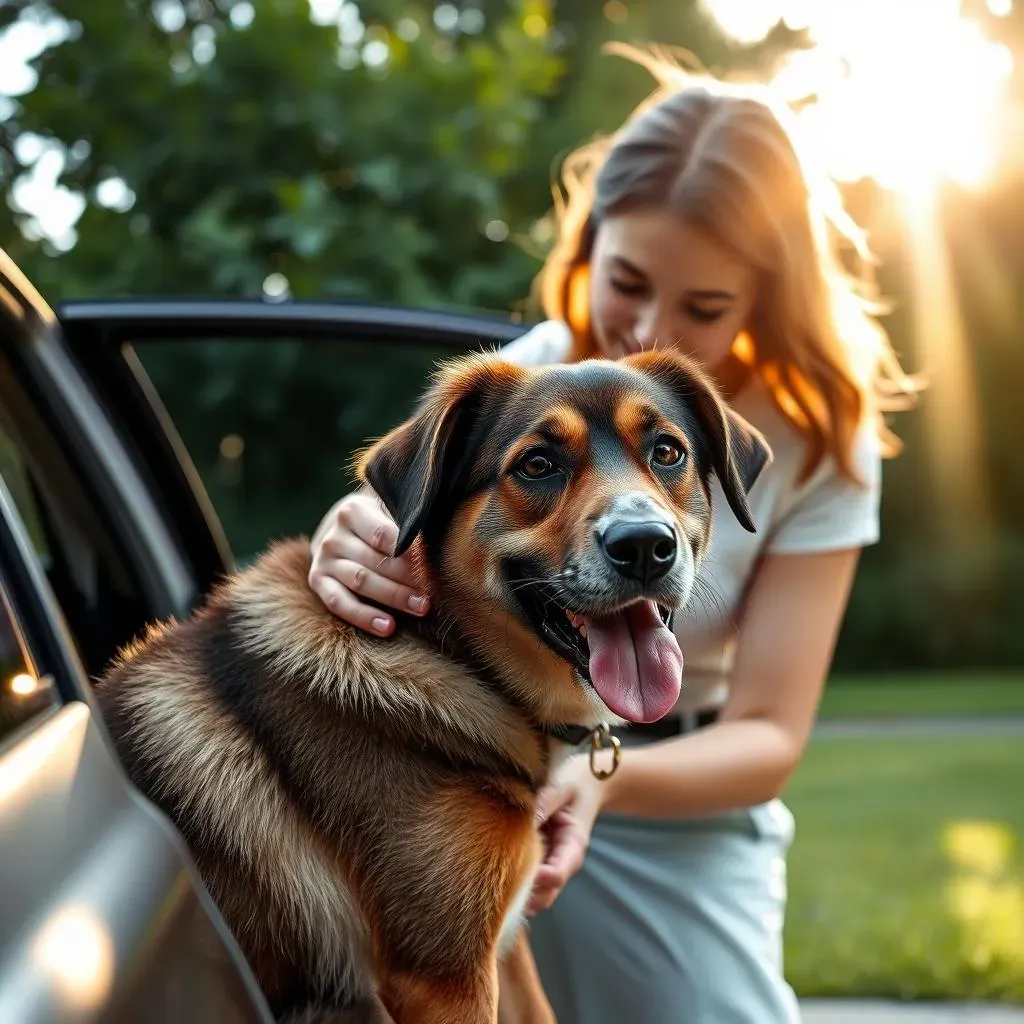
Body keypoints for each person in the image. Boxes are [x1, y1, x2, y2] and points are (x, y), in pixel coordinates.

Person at [307, 47, 914, 1024]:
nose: (641, 331)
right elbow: (418, 508)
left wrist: (595, 781)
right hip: (481, 768)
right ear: (589, 247)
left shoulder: (822, 446)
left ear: (767, 294)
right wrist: (351, 529)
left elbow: (767, 735)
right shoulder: (543, 368)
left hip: (673, 799)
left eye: (703, 306)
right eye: (625, 280)